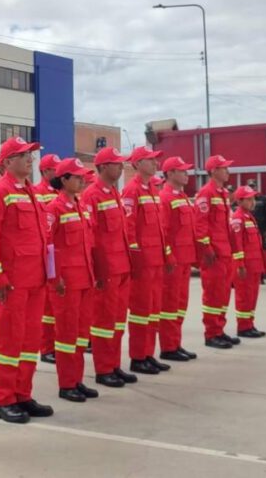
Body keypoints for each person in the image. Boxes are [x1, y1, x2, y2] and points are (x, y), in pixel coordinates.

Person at [0, 136, 53, 424]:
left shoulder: (30, 193)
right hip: (11, 285)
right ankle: (5, 399)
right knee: (9, 343)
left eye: (30, 154)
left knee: (29, 342)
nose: (29, 159)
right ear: (8, 162)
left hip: (35, 281)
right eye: (23, 155)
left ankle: (23, 394)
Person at [45, 158, 100, 402]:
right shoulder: (54, 208)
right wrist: (54, 278)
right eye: (77, 177)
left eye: (82, 177)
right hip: (66, 283)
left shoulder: (81, 206)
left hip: (85, 279)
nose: (82, 180)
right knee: (66, 335)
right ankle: (66, 384)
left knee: (80, 334)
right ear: (64, 179)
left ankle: (77, 379)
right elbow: (47, 247)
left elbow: (88, 245)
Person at [81, 147, 137, 388]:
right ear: (103, 167)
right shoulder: (91, 196)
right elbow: (90, 237)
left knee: (117, 320)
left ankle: (114, 364)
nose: (120, 167)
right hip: (107, 269)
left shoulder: (113, 192)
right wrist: (99, 270)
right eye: (115, 163)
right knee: (104, 321)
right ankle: (103, 369)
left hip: (121, 265)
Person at [122, 147, 173, 374]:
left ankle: (148, 353)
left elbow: (160, 227)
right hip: (143, 261)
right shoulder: (131, 191)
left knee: (153, 309)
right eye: (151, 160)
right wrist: (135, 258)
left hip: (156, 259)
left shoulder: (152, 189)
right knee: (141, 310)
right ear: (138, 163)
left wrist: (165, 253)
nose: (155, 164)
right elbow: (129, 228)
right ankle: (138, 356)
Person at [195, 155, 241, 349]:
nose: (227, 171)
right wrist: (207, 248)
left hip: (225, 252)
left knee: (222, 294)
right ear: (213, 171)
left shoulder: (222, 193)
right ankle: (211, 333)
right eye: (223, 168)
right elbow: (200, 224)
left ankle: (220, 330)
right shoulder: (206, 193)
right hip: (214, 254)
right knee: (213, 294)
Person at [158, 156, 199, 362]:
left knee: (180, 304)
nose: (186, 174)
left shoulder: (182, 197)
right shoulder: (165, 198)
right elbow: (163, 231)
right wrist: (168, 255)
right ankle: (168, 346)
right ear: (170, 173)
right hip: (173, 261)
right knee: (170, 305)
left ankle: (176, 343)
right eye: (182, 171)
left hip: (185, 259)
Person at [230, 186, 266, 338]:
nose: (253, 202)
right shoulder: (238, 218)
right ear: (239, 201)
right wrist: (240, 264)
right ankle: (243, 327)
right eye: (249, 199)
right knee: (244, 296)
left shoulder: (248, 216)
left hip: (255, 264)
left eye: (254, 199)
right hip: (245, 265)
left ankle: (250, 324)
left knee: (252, 296)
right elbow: (236, 244)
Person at [35, 154, 61, 364]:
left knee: (58, 306)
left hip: (64, 254)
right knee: (48, 309)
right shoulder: (39, 193)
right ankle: (46, 347)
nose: (59, 172)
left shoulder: (61, 192)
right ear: (45, 172)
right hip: (49, 253)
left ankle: (56, 344)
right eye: (55, 169)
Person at [246, 179, 266, 283]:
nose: (252, 188)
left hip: (261, 231)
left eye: (253, 186)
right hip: (249, 231)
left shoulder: (263, 199)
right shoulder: (245, 200)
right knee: (251, 254)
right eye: (250, 186)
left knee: (261, 254)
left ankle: (261, 276)